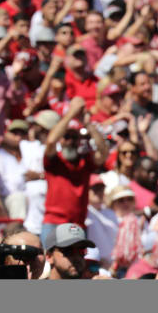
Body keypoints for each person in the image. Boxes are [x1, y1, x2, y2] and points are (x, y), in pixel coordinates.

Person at [42, 96, 108, 245]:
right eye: (66, 137)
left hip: (77, 226)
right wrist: (71, 114)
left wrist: (88, 124)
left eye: (75, 137)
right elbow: (51, 140)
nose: (71, 141)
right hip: (53, 223)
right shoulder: (54, 161)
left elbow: (103, 152)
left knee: (76, 267)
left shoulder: (85, 162)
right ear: (62, 139)